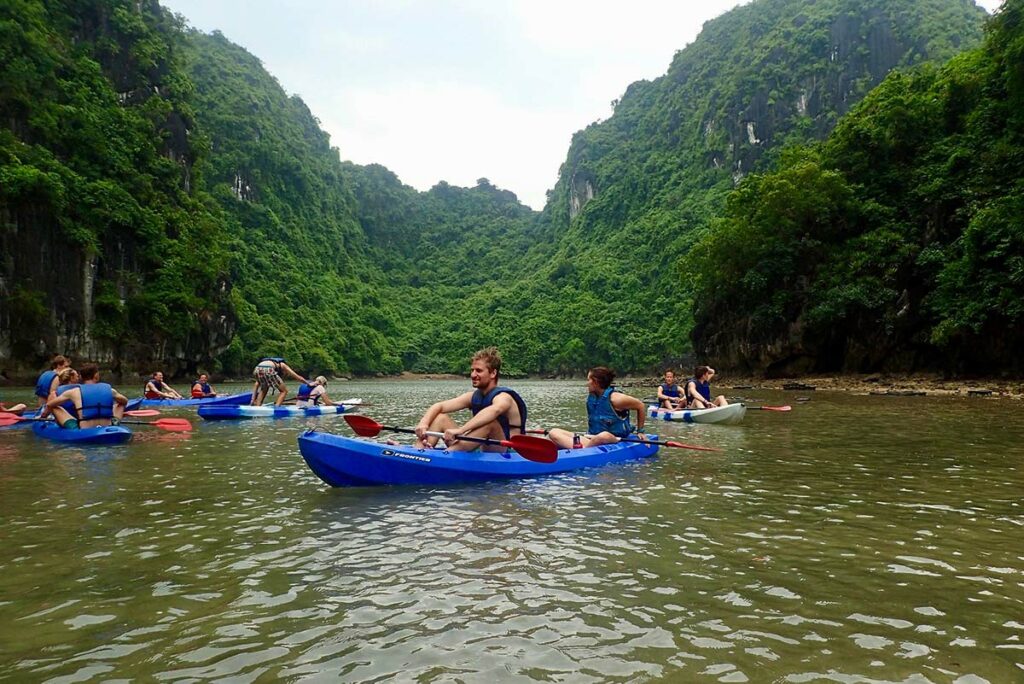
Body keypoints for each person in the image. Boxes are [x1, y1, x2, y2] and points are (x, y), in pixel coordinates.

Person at [412, 347, 528, 452]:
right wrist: (423, 424)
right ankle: (418, 452)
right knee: (441, 418)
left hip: (508, 452)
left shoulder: (504, 397)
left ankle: (448, 454)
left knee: (490, 423)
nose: (473, 375)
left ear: (493, 373)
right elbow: (440, 406)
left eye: (478, 370)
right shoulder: (472, 396)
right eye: (472, 370)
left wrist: (461, 430)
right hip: (481, 447)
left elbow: (494, 411)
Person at [549, 367, 647, 449]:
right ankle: (583, 449)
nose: (587, 383)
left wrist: (640, 431)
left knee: (603, 435)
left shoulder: (616, 399)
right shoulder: (593, 397)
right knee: (554, 432)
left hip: (613, 439)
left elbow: (640, 406)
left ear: (595, 382)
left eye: (589, 380)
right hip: (591, 438)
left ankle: (582, 451)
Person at [45, 364, 127, 430]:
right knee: (120, 404)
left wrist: (43, 417)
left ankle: (42, 418)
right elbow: (125, 401)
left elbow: (49, 405)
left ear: (81, 377)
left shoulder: (74, 392)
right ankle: (115, 424)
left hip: (83, 429)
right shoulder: (110, 390)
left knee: (54, 406)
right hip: (108, 426)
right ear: (96, 376)